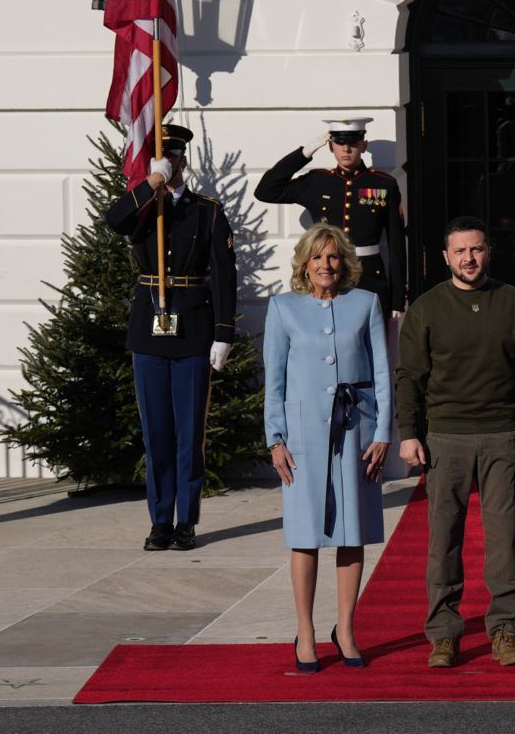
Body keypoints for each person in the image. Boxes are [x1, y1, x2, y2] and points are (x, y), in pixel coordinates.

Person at [396, 216, 515, 669]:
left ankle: (505, 628)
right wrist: (409, 434)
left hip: (503, 436)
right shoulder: (426, 308)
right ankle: (444, 633)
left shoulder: (514, 302)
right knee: (444, 539)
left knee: (502, 541)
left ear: (488, 252)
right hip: (445, 438)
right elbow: (410, 378)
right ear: (446, 257)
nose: (469, 258)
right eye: (460, 251)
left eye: (476, 249)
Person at [264, 223, 391, 673]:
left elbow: (382, 372)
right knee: (305, 534)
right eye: (317, 257)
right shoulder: (282, 308)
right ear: (304, 262)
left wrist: (383, 433)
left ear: (345, 262)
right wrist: (274, 438)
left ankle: (346, 628)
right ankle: (305, 631)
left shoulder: (367, 303)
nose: (325, 265)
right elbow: (274, 380)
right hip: (301, 436)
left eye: (333, 257)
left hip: (357, 430)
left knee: (351, 531)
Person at [104, 123, 236, 552]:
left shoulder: (207, 210)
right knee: (156, 431)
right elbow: (113, 219)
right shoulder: (143, 206)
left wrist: (223, 334)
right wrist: (151, 183)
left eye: (175, 157)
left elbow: (224, 274)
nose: (171, 163)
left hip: (193, 328)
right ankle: (160, 520)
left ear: (185, 159)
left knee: (188, 433)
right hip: (150, 329)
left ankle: (186, 521)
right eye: (164, 158)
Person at [255, 117, 407, 316]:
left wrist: (397, 299)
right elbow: (266, 191)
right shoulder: (317, 182)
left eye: (353, 143)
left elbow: (396, 244)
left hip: (369, 277)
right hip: (324, 278)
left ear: (364, 145)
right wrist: (305, 152)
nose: (346, 149)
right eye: (340, 143)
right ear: (330, 146)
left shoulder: (383, 184)